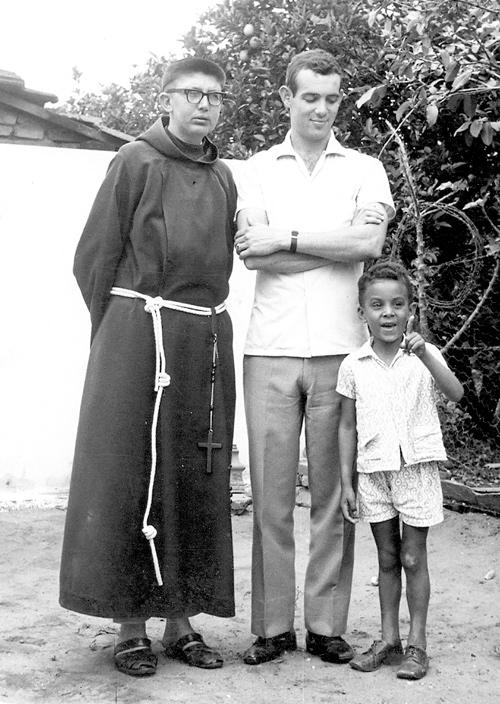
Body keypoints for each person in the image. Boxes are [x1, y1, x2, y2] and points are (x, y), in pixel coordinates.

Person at [59, 57, 237, 677]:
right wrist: (119, 336)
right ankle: (130, 625)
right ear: (166, 99)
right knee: (132, 473)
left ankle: (181, 620)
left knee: (191, 470)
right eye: (192, 93)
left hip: (201, 339)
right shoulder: (133, 161)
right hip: (138, 336)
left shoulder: (222, 177)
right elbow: (93, 259)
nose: (204, 105)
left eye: (215, 96)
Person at [233, 49, 395, 665]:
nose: (322, 109)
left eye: (332, 98)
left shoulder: (364, 169)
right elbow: (254, 252)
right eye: (311, 97)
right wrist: (332, 247)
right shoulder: (253, 170)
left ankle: (327, 626)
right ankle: (273, 628)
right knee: (270, 497)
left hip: (339, 354)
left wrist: (291, 237)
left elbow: (370, 241)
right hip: (268, 350)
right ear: (286, 99)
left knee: (334, 493)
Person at [337, 260, 464, 680]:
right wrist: (347, 482)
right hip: (373, 472)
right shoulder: (354, 364)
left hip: (417, 469)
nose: (387, 313)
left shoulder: (422, 358)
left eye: (397, 304)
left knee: (412, 556)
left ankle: (418, 643)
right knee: (387, 557)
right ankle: (388, 638)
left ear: (411, 309)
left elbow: (456, 393)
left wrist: (427, 353)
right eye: (377, 305)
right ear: (363, 313)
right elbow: (347, 425)